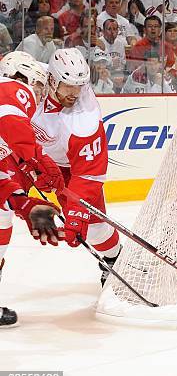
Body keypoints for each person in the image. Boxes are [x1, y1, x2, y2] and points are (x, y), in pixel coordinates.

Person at [32, 48, 123, 285]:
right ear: (51, 78)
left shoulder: (84, 119)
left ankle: (114, 258)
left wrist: (77, 213)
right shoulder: (31, 79)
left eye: (80, 86)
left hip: (70, 167)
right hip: (36, 155)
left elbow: (89, 174)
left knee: (93, 230)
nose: (74, 93)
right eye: (68, 86)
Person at [0, 51, 66, 328]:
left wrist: (25, 204)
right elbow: (11, 119)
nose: (38, 94)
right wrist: (37, 159)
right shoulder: (12, 87)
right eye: (38, 84)